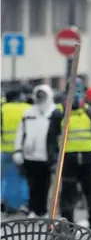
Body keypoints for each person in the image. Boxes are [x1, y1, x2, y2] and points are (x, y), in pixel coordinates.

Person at [50, 77, 91, 230]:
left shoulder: (89, 112)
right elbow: (51, 138)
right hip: (67, 160)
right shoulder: (59, 113)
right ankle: (68, 227)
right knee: (68, 195)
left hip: (88, 159)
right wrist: (54, 160)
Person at [13, 85, 59, 218]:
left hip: (47, 156)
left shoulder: (55, 113)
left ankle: (43, 211)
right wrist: (18, 150)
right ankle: (33, 209)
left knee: (45, 186)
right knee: (32, 185)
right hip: (30, 156)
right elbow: (20, 132)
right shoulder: (28, 113)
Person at [1, 88, 31, 214]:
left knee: (8, 178)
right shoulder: (27, 108)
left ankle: (9, 204)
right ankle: (24, 203)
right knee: (24, 178)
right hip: (24, 150)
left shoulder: (2, 109)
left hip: (6, 149)